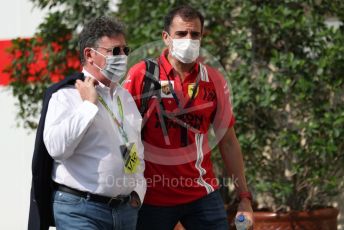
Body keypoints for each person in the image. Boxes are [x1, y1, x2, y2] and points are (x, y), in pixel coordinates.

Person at [123, 5, 253, 230]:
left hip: (202, 194)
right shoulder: (142, 75)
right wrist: (130, 188)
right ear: (166, 37)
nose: (189, 39)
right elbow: (123, 136)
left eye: (195, 34)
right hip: (152, 197)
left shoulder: (213, 80)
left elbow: (229, 141)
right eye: (181, 34)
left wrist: (244, 197)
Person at [28, 16, 145, 230]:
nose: (122, 57)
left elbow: (134, 148)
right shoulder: (65, 95)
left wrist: (137, 191)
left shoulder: (124, 98)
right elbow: (56, 149)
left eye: (125, 51)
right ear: (90, 54)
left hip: (125, 211)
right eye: (114, 51)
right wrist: (88, 106)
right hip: (81, 210)